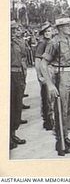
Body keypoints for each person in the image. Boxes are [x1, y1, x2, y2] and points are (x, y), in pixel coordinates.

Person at [40, 15, 70, 156]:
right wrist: (50, 84)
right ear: (61, 28)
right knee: (60, 109)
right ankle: (60, 141)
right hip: (60, 78)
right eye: (69, 26)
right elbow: (43, 64)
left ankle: (66, 136)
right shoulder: (54, 42)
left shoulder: (69, 41)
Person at [10, 21, 27, 150]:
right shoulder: (8, 43)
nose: (19, 31)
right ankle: (7, 136)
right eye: (16, 29)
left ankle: (13, 133)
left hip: (19, 73)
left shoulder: (19, 42)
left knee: (17, 105)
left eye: (19, 29)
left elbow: (23, 54)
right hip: (10, 74)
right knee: (10, 106)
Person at [34, 21, 54, 130]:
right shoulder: (42, 43)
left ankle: (50, 118)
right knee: (46, 96)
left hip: (51, 70)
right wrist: (39, 75)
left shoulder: (51, 42)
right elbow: (37, 60)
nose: (47, 33)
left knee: (50, 96)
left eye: (49, 31)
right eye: (45, 31)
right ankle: (47, 120)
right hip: (44, 70)